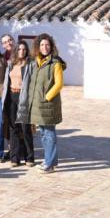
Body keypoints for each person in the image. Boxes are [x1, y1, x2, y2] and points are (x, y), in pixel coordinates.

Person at [24, 34, 64, 174]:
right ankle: (50, 160)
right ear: (37, 47)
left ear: (51, 46)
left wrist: (47, 97)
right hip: (38, 105)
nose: (44, 47)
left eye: (47, 45)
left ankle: (50, 163)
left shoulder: (55, 63)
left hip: (48, 104)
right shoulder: (36, 62)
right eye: (42, 45)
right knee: (44, 134)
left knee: (49, 133)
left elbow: (59, 84)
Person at [5, 40, 36, 167]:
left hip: (24, 98)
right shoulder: (10, 64)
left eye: (24, 49)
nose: (21, 51)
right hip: (12, 97)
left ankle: (30, 157)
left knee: (25, 128)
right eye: (19, 49)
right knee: (13, 128)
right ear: (16, 51)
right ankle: (14, 157)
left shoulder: (31, 64)